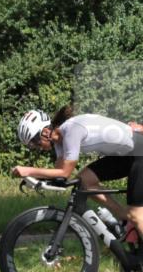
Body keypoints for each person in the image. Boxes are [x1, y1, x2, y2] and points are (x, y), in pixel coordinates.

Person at [12, 106, 143, 249]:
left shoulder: (71, 131)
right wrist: (35, 180)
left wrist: (28, 171)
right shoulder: (59, 141)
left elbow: (64, 173)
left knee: (136, 215)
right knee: (84, 180)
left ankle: (130, 217)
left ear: (44, 132)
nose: (37, 147)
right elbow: (58, 176)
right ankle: (123, 215)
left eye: (34, 142)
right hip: (125, 155)